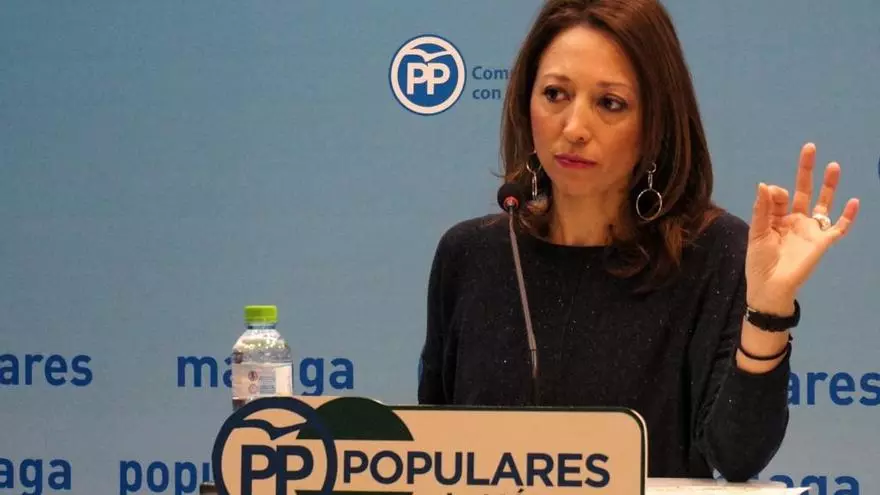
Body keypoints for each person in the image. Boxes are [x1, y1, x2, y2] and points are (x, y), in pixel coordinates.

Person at [416, 0, 860, 483]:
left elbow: (738, 457)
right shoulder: (470, 256)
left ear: (654, 124)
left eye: (610, 103)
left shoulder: (712, 253)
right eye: (555, 94)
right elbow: (434, 459)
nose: (574, 128)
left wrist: (769, 310)